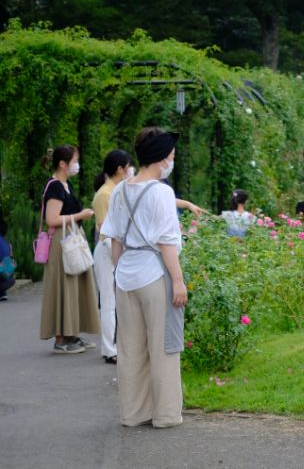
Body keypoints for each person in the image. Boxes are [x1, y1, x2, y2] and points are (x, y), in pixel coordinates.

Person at [103, 127, 186, 428]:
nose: (172, 162)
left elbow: (114, 239)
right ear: (162, 159)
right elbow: (166, 242)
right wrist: (178, 281)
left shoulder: (121, 189)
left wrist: (119, 272)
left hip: (126, 275)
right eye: (172, 157)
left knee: (130, 349)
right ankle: (165, 415)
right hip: (154, 275)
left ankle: (133, 413)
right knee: (163, 347)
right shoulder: (162, 192)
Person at [39, 145, 100, 354]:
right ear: (63, 164)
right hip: (62, 242)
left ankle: (72, 334)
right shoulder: (55, 186)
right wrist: (80, 216)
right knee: (63, 286)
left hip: (71, 238)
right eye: (74, 161)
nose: (76, 165)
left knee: (73, 286)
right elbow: (52, 219)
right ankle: (61, 339)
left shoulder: (65, 185)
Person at [93, 149, 135, 364]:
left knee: (118, 301)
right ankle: (109, 349)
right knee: (109, 302)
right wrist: (119, 258)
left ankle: (118, 345)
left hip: (118, 249)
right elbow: (104, 230)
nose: (131, 170)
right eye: (128, 166)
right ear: (120, 169)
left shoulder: (118, 190)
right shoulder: (104, 194)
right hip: (107, 250)